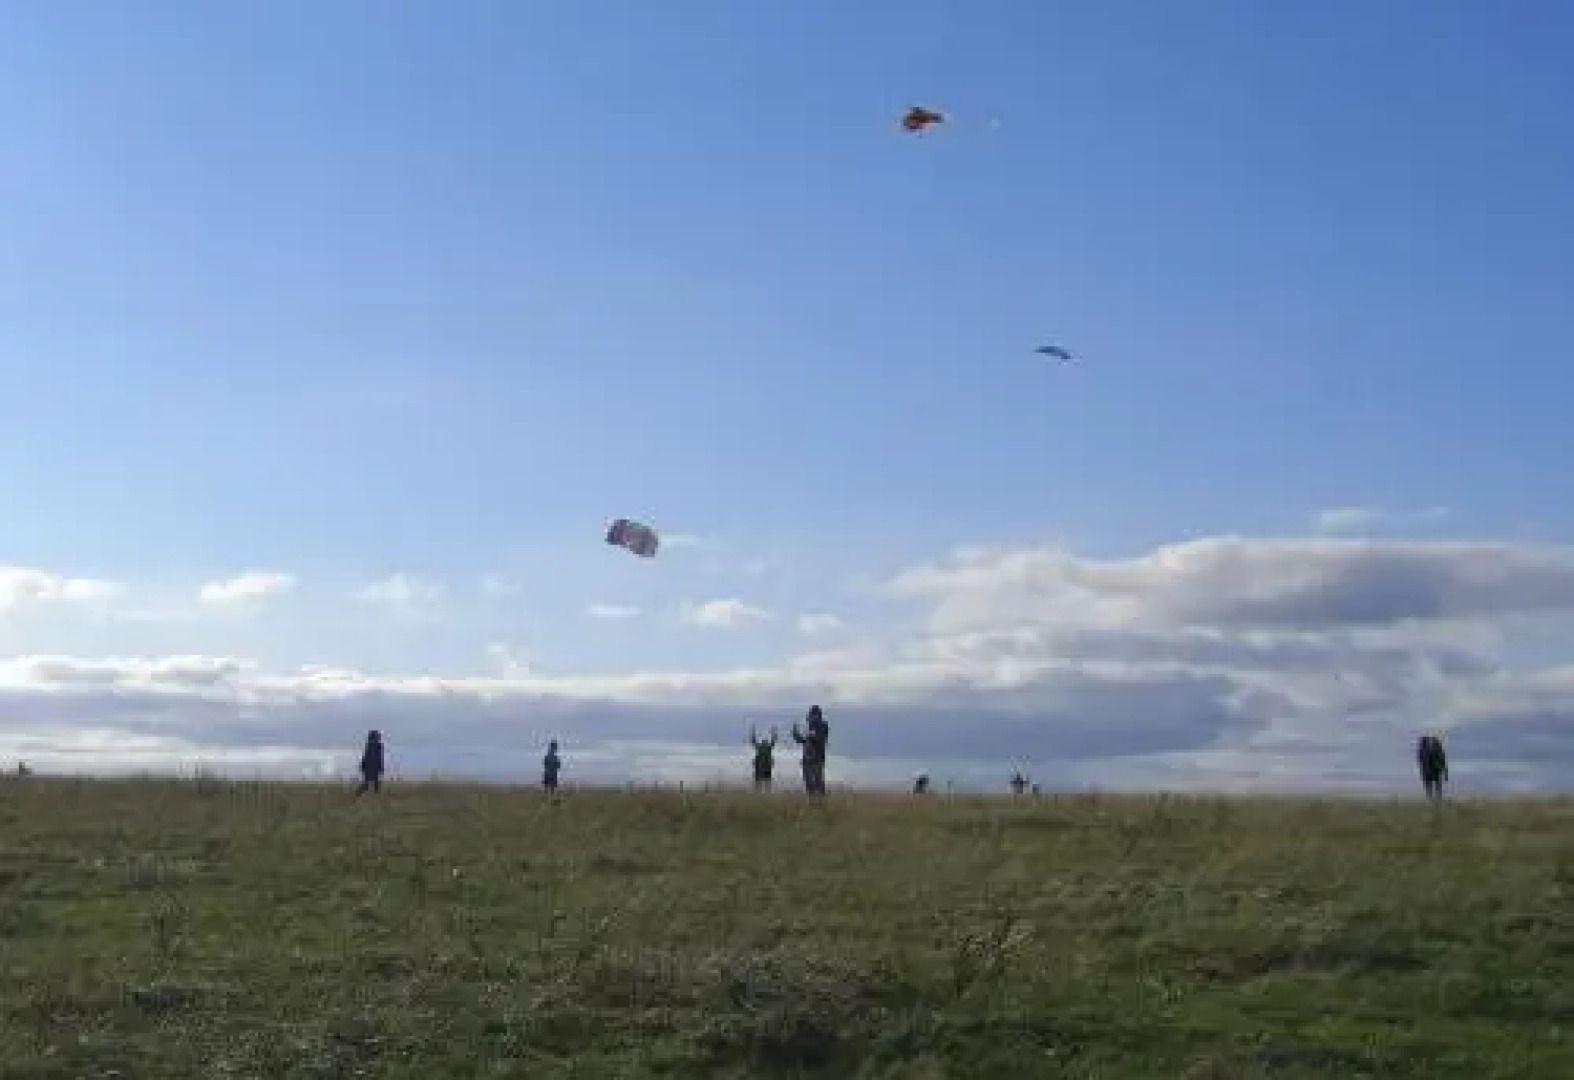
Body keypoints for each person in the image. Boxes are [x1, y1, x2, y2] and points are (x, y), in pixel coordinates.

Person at [791, 705, 830, 796]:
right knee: (808, 782)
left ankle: (820, 802)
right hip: (807, 759)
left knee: (818, 781)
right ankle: (812, 802)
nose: (811, 717)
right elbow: (802, 740)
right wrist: (795, 734)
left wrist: (810, 735)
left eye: (813, 715)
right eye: (811, 715)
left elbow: (820, 739)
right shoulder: (810, 726)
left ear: (817, 715)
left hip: (817, 758)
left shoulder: (823, 725)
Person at [1417, 734, 1448, 800]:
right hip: (1431, 770)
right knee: (1432, 785)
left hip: (1434, 769)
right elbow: (1421, 760)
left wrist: (1444, 770)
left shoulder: (1424, 748)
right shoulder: (1423, 748)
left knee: (1433, 785)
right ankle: (1433, 798)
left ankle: (1435, 798)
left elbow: (1442, 758)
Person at [356, 730, 385, 796]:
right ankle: (375, 795)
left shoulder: (370, 745)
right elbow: (378, 758)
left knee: (370, 783)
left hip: (369, 767)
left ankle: (360, 793)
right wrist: (380, 767)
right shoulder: (377, 746)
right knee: (374, 783)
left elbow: (366, 757)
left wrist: (362, 766)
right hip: (373, 767)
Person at [749, 725, 778, 790]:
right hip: (765, 767)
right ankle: (765, 791)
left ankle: (759, 792)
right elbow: (773, 741)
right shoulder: (768, 747)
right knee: (766, 782)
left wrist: (753, 732)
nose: (765, 743)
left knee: (760, 782)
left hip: (760, 767)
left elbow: (753, 741)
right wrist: (774, 733)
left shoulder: (760, 747)